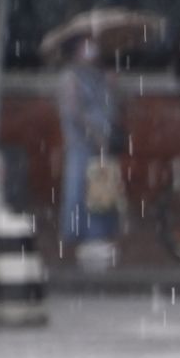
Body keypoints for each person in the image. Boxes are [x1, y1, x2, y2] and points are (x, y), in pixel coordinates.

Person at [55, 35, 120, 253]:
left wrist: (112, 87)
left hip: (103, 140)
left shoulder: (100, 76)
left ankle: (99, 233)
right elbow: (73, 111)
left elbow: (112, 107)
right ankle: (79, 234)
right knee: (80, 187)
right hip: (81, 142)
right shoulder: (70, 78)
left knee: (101, 188)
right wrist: (93, 133)